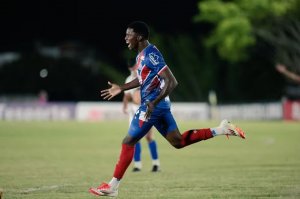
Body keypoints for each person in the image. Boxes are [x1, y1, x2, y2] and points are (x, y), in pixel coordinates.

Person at [89, 21, 246, 197]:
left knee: (128, 142)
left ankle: (112, 186)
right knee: (177, 141)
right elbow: (143, 79)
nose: (126, 38)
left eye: (129, 34)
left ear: (139, 37)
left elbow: (172, 81)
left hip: (153, 106)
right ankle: (221, 129)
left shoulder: (151, 55)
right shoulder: (141, 56)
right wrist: (122, 87)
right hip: (157, 105)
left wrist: (153, 103)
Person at [123, 59, 160, 172]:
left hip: (145, 109)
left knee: (149, 137)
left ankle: (156, 164)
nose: (134, 68)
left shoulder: (146, 75)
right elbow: (126, 96)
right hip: (134, 111)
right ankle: (137, 165)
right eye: (132, 67)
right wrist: (124, 105)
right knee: (135, 138)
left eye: (135, 66)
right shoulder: (129, 79)